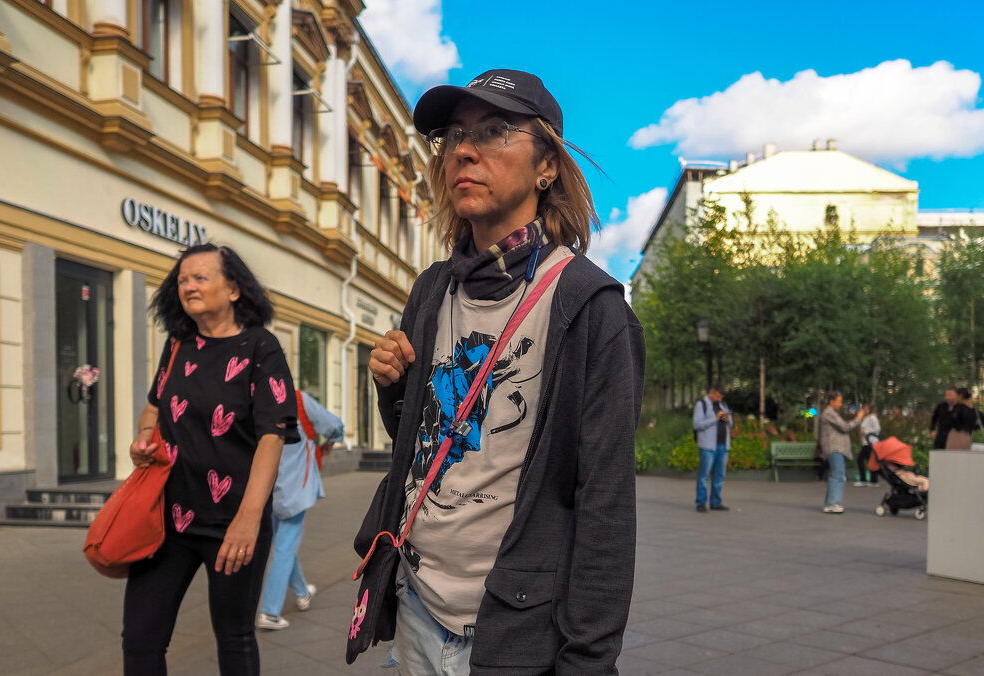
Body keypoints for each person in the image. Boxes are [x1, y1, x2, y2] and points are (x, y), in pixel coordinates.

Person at [355, 69, 645, 674]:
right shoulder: (432, 290)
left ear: (547, 166)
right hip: (414, 605)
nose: (464, 149)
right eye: (455, 135)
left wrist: (588, 660)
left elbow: (606, 504)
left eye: (494, 131)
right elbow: (425, 443)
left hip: (510, 629)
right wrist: (395, 388)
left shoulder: (589, 308)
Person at [125, 243, 300, 676]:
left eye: (200, 277)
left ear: (234, 289)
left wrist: (249, 519)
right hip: (168, 520)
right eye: (183, 279)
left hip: (232, 522)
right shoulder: (177, 345)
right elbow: (153, 407)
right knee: (140, 639)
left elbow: (273, 436)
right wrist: (144, 439)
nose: (188, 286)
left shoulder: (261, 347)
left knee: (234, 638)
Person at [256, 391, 344, 630]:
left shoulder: (257, 399)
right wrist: (330, 442)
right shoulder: (297, 400)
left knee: (282, 544)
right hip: (295, 486)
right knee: (285, 547)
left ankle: (302, 591)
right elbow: (334, 425)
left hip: (266, 487)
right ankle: (270, 612)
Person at [819, 392, 864, 514]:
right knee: (837, 474)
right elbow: (845, 427)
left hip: (837, 449)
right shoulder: (829, 413)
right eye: (839, 401)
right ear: (831, 401)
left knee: (837, 474)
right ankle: (832, 504)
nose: (840, 404)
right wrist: (858, 418)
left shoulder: (832, 413)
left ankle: (831, 502)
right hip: (834, 448)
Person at [692, 384, 733, 512]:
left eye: (721, 397)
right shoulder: (701, 404)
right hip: (708, 446)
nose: (720, 399)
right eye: (718, 396)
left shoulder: (723, 405)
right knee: (704, 476)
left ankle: (715, 502)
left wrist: (727, 419)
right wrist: (714, 419)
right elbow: (697, 424)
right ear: (711, 392)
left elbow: (731, 424)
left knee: (719, 476)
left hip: (723, 446)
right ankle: (701, 503)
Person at [854, 404, 880, 487]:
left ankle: (868, 480)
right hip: (866, 443)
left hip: (871, 443)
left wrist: (865, 431)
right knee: (869, 460)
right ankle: (872, 480)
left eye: (865, 408)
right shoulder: (866, 418)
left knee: (861, 460)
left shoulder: (872, 418)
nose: (864, 410)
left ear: (869, 409)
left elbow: (877, 429)